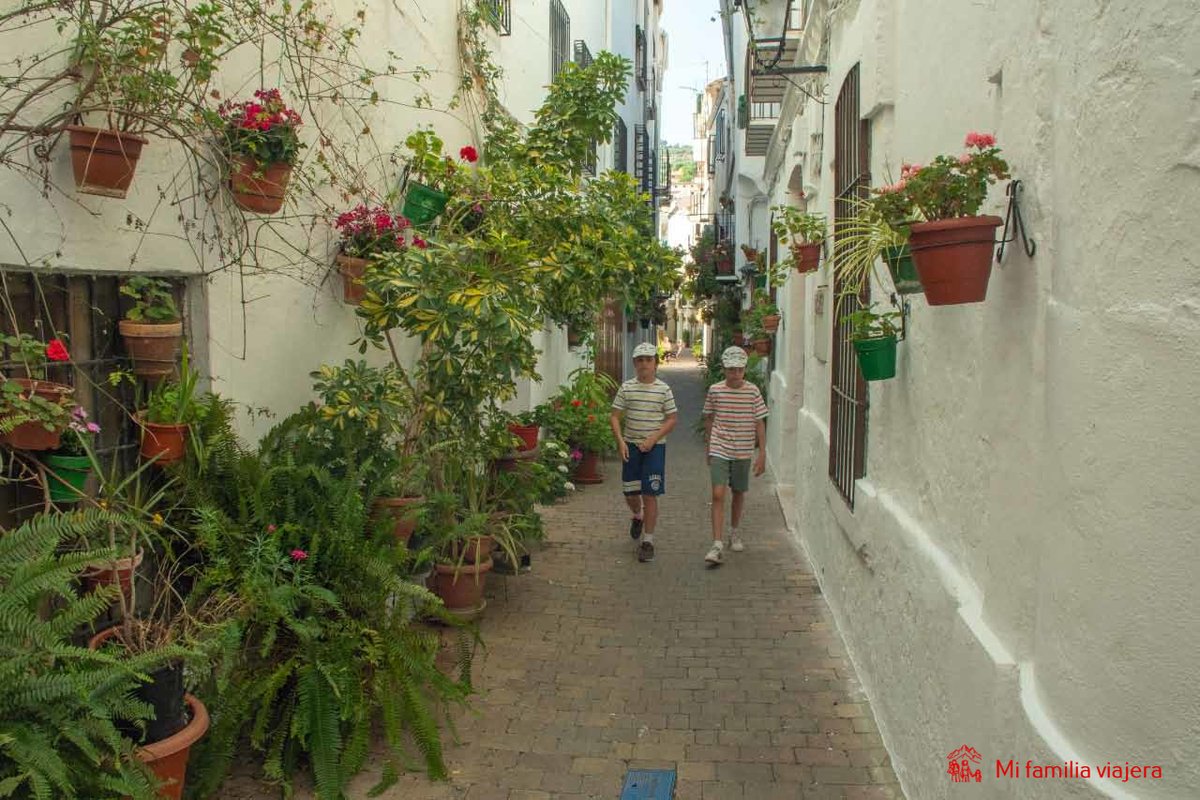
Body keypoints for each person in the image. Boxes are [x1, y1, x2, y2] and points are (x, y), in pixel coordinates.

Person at [610, 341, 678, 562]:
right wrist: (620, 442)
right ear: (634, 364)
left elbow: (672, 419)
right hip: (631, 446)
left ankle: (648, 541)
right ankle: (637, 516)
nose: (644, 365)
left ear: (655, 364)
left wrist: (653, 438)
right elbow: (614, 416)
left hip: (655, 448)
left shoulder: (663, 389)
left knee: (650, 493)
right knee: (630, 493)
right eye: (640, 361)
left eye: (648, 360)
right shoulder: (627, 388)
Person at [701, 346, 768, 566]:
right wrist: (709, 447)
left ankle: (734, 531)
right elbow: (709, 419)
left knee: (738, 491)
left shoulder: (753, 391)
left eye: (739, 370)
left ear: (744, 370)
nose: (736, 374)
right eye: (731, 370)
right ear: (724, 369)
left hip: (743, 449)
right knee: (718, 493)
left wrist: (762, 454)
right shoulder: (715, 390)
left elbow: (759, 422)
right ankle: (717, 543)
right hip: (720, 446)